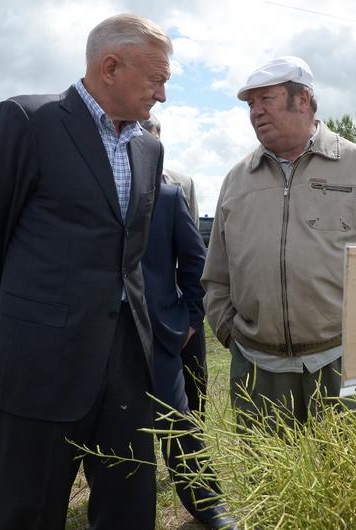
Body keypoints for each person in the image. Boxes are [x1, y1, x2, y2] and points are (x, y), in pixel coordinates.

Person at [0, 14, 171, 529]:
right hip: (37, 362)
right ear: (110, 66)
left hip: (124, 364)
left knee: (129, 508)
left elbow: (130, 249)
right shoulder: (26, 121)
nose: (162, 94)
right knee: (27, 509)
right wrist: (36, 312)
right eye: (157, 78)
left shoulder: (149, 147)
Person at [202, 56, 356, 429]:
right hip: (258, 371)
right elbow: (216, 275)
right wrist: (230, 333)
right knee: (267, 482)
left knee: (346, 482)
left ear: (303, 100)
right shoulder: (237, 180)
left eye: (265, 99)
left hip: (341, 364)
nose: (255, 112)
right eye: (250, 104)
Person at [141, 184, 237, 529]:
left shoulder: (166, 198)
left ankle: (207, 503)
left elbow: (198, 262)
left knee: (178, 424)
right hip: (93, 337)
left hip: (159, 337)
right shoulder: (78, 189)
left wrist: (190, 319)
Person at [140, 114, 208, 417]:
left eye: (156, 140)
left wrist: (191, 319)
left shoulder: (178, 186)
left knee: (186, 411)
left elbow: (192, 250)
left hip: (174, 313)